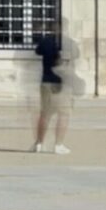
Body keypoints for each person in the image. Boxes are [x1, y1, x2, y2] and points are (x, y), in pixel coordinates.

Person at [33, 24, 71, 154]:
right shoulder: (63, 43)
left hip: (45, 81)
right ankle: (58, 145)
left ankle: (39, 144)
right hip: (57, 82)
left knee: (45, 113)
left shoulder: (46, 41)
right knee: (64, 113)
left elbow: (37, 51)